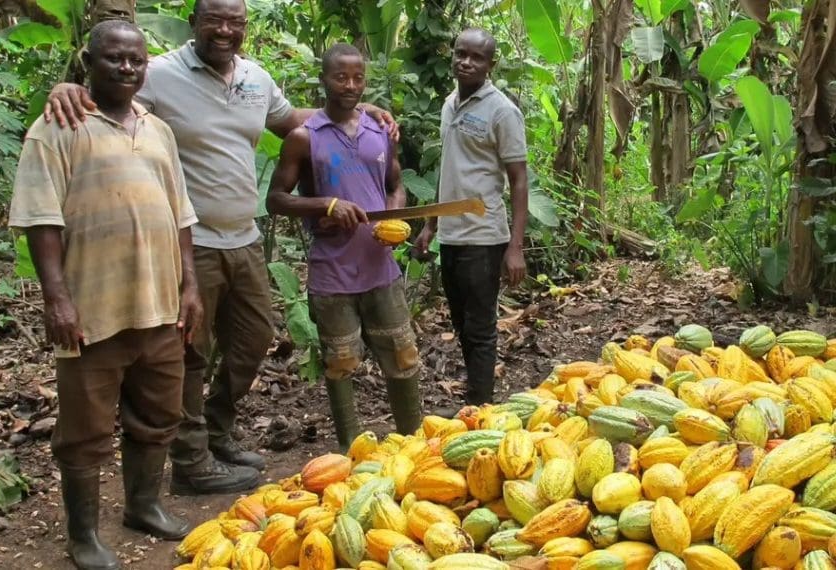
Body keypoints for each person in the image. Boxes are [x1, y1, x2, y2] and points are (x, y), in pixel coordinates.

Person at [42, 0, 400, 494]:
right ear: (194, 23)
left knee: (253, 340)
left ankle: (216, 430)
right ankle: (191, 461)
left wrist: (358, 111)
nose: (225, 30)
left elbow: (292, 120)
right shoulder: (159, 73)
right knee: (190, 351)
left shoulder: (255, 78)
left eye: (236, 22)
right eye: (214, 20)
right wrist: (67, 89)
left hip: (244, 236)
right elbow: (108, 96)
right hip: (190, 240)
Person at [10, 20, 199, 570]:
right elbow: (41, 218)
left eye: (136, 59)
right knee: (85, 429)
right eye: (114, 58)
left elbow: (180, 214)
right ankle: (84, 535)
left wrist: (190, 284)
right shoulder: (58, 126)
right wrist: (57, 297)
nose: (127, 67)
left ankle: (143, 505)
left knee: (158, 413)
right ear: (89, 62)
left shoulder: (157, 129)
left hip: (159, 305)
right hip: (92, 308)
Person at [266, 43, 423, 450]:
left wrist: (393, 217)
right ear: (324, 80)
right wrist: (327, 205)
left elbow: (395, 185)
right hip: (333, 271)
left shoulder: (379, 132)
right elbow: (276, 200)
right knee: (341, 362)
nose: (350, 85)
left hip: (380, 267)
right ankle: (351, 452)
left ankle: (415, 444)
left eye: (358, 78)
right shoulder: (304, 138)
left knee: (402, 355)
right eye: (341, 77)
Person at [413, 28, 528, 411]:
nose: (466, 62)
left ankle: (482, 407)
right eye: (460, 54)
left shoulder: (502, 111)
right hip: (451, 234)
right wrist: (431, 223)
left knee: (480, 326)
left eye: (476, 57)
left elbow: (519, 180)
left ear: (490, 64)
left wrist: (515, 247)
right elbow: (449, 168)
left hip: (484, 235)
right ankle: (475, 398)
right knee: (462, 322)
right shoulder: (450, 103)